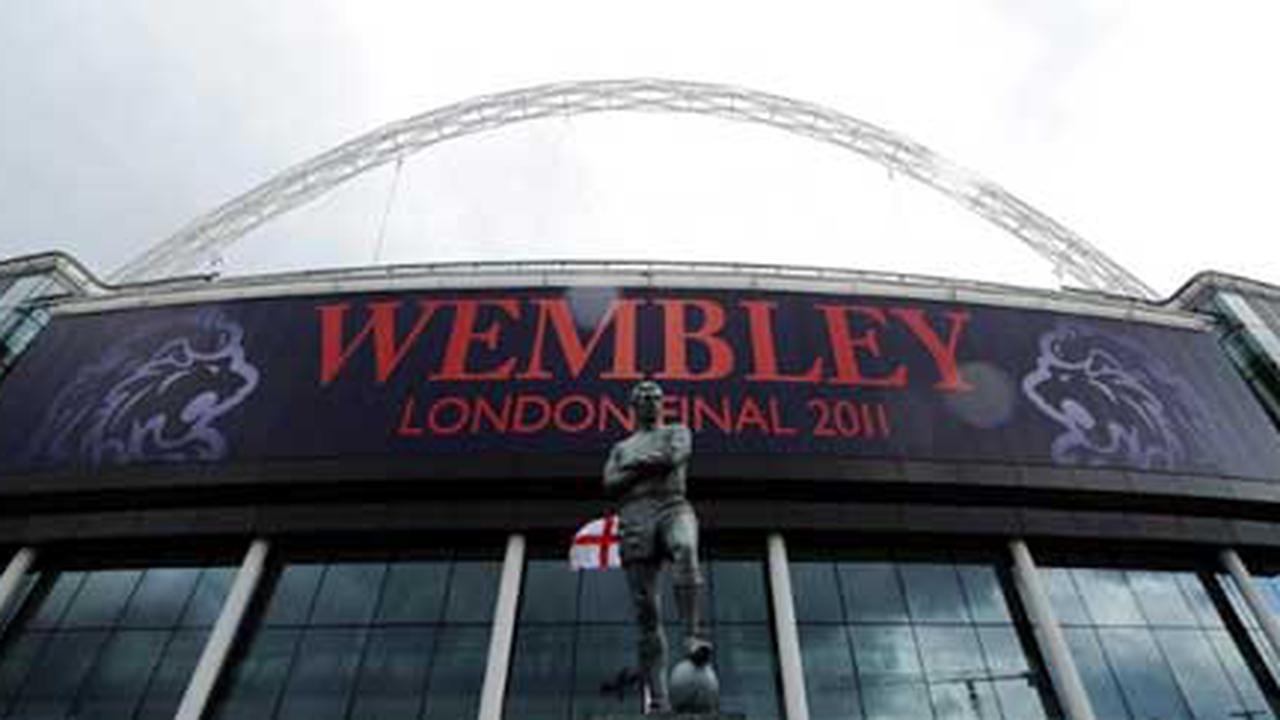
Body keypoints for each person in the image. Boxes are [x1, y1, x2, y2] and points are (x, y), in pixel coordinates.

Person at [603, 380, 711, 713]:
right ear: (633, 406)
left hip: (671, 505)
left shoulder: (677, 431)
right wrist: (647, 465)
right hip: (635, 516)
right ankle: (659, 699)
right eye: (644, 397)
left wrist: (634, 467)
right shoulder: (621, 446)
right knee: (646, 611)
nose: (651, 400)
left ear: (662, 403)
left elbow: (673, 457)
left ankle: (692, 635)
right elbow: (610, 482)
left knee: (686, 549)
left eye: (656, 396)